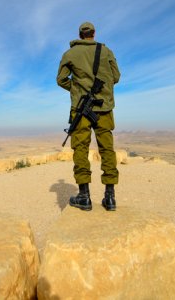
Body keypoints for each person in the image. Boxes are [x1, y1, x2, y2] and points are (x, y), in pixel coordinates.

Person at [56, 21, 121, 211]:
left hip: (81, 107)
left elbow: (60, 80)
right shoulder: (106, 51)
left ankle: (84, 196)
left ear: (80, 34)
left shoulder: (69, 54)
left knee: (81, 149)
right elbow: (116, 77)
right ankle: (110, 197)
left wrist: (76, 89)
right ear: (94, 33)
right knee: (107, 149)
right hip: (104, 108)